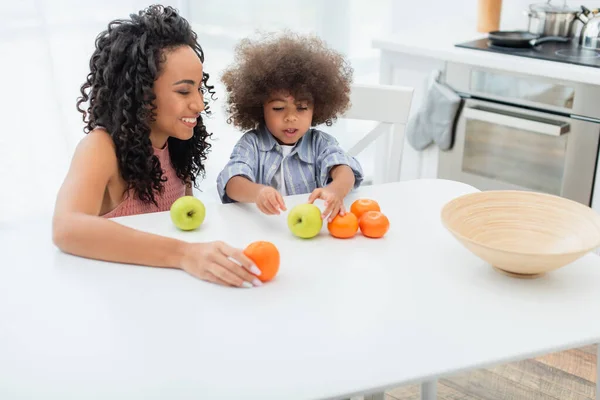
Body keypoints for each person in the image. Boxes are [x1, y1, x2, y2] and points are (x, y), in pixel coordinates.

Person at [52, 5, 262, 288]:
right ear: (140, 93)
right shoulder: (100, 147)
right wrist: (185, 254)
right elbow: (66, 228)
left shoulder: (177, 148)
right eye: (184, 91)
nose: (199, 104)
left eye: (200, 89)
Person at [216, 32, 364, 222]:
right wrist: (258, 193)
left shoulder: (320, 143)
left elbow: (345, 170)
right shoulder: (251, 144)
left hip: (312, 232)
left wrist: (334, 191)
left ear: (316, 108)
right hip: (263, 231)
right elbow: (232, 181)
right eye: (278, 108)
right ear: (260, 108)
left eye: (302, 108)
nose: (291, 118)